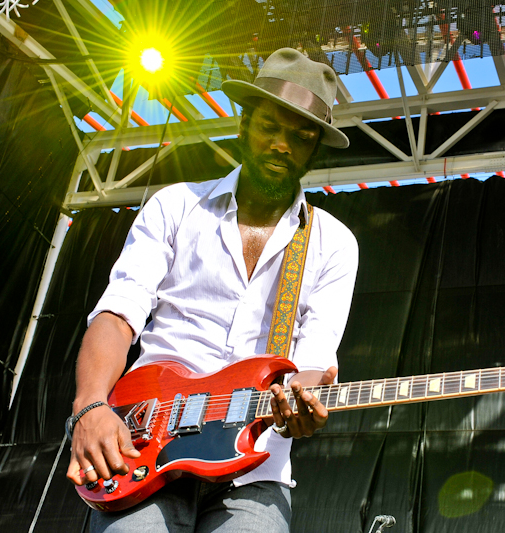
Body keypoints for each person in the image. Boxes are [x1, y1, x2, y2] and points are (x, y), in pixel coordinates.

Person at [65, 48, 358, 532]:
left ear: (315, 150)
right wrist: (91, 406)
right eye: (270, 126)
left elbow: (312, 360)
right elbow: (117, 315)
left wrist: (303, 402)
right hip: (142, 443)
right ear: (243, 125)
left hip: (257, 466)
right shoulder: (175, 206)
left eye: (301, 137)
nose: (282, 145)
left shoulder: (333, 244)